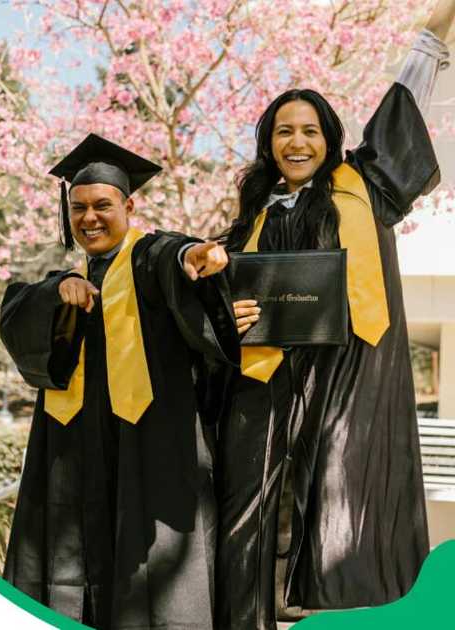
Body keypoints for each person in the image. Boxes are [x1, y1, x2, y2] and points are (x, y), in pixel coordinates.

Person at [215, 4, 455, 628]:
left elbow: (406, 102)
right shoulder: (253, 219)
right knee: (259, 507)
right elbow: (219, 297)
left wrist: (434, 31)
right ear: (268, 143)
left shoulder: (366, 187)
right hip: (270, 384)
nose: (297, 143)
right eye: (283, 132)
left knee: (345, 501)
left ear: (331, 138)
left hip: (354, 376)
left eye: (311, 130)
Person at [0, 134, 240, 629]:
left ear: (129, 205)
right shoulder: (70, 278)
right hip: (74, 454)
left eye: (103, 205)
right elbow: (18, 315)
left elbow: (171, 255)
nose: (89, 218)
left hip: (147, 450)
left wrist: (192, 257)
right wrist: (56, 293)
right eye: (78, 207)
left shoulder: (150, 259)